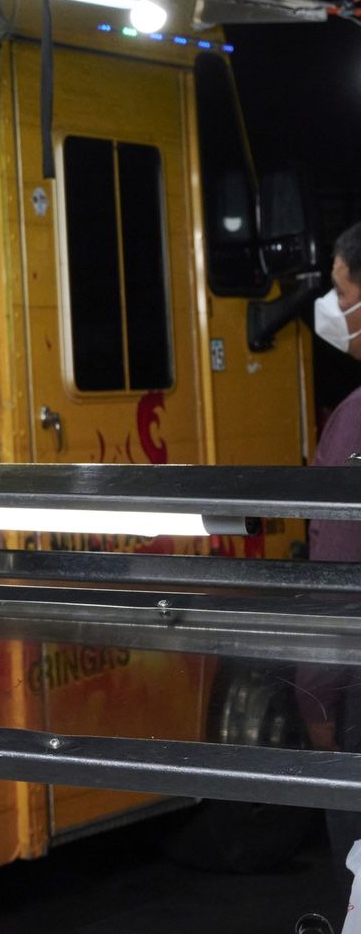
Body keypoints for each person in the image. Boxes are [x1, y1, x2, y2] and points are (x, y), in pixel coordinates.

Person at [299, 221, 361, 860]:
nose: (336, 313)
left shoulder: (353, 424)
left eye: (342, 295)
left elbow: (333, 590)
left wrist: (319, 718)